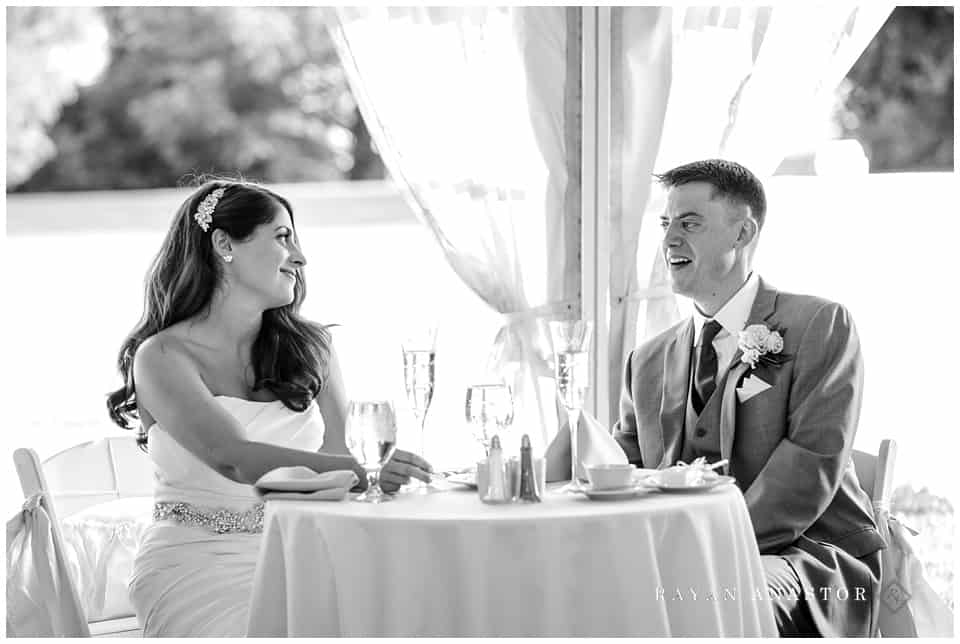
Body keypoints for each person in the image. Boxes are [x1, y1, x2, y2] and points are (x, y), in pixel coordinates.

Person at [106, 179, 433, 636]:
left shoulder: (312, 347)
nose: (299, 257)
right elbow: (234, 457)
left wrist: (376, 486)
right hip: (199, 564)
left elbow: (342, 456)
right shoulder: (162, 357)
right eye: (283, 237)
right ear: (224, 244)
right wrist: (363, 470)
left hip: (305, 551)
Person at [611, 159, 884, 637]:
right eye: (665, 223)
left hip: (806, 560)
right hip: (673, 559)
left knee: (702, 604)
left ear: (741, 234)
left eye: (690, 223)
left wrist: (699, 552)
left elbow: (810, 469)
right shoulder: (646, 360)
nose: (670, 238)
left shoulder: (820, 325)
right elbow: (619, 471)